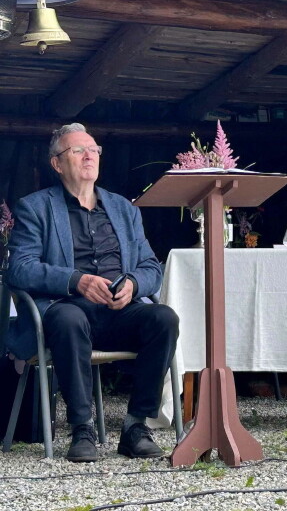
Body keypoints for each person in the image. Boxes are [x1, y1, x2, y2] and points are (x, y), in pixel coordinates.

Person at [5, 123, 179, 462]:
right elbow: (19, 268)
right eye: (78, 150)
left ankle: (135, 427)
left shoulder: (124, 209)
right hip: (65, 309)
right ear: (57, 163)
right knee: (69, 317)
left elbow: (150, 267)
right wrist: (75, 280)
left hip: (118, 312)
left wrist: (132, 284)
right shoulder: (35, 207)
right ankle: (81, 427)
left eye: (94, 150)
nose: (89, 156)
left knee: (163, 317)